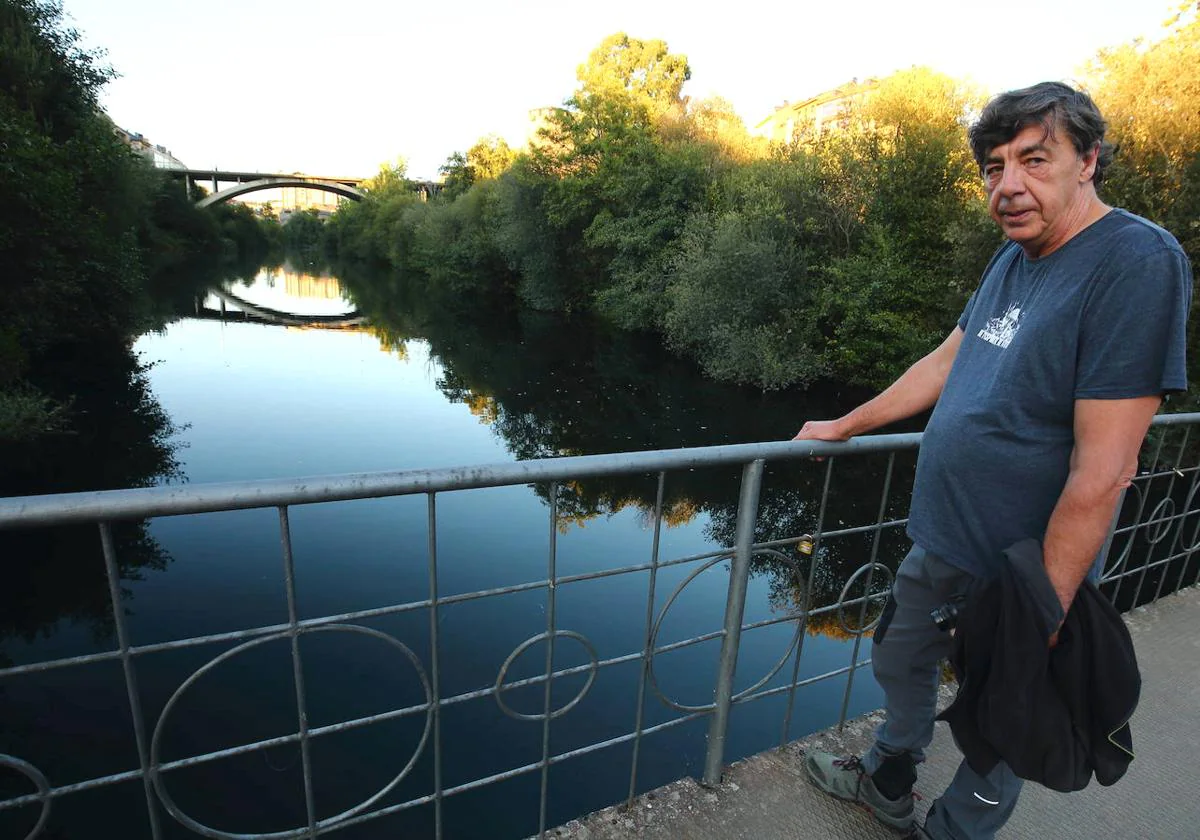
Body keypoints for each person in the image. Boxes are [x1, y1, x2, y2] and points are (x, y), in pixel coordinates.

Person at [794, 81, 1192, 839]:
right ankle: (889, 773)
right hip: (945, 534)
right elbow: (950, 358)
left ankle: (954, 830)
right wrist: (846, 423)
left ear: (1088, 162)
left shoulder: (1136, 262)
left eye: (1035, 160)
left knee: (1004, 713)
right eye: (994, 168)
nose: (1009, 186)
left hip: (1023, 564)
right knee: (900, 657)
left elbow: (1105, 466)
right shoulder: (1014, 256)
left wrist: (1048, 602)